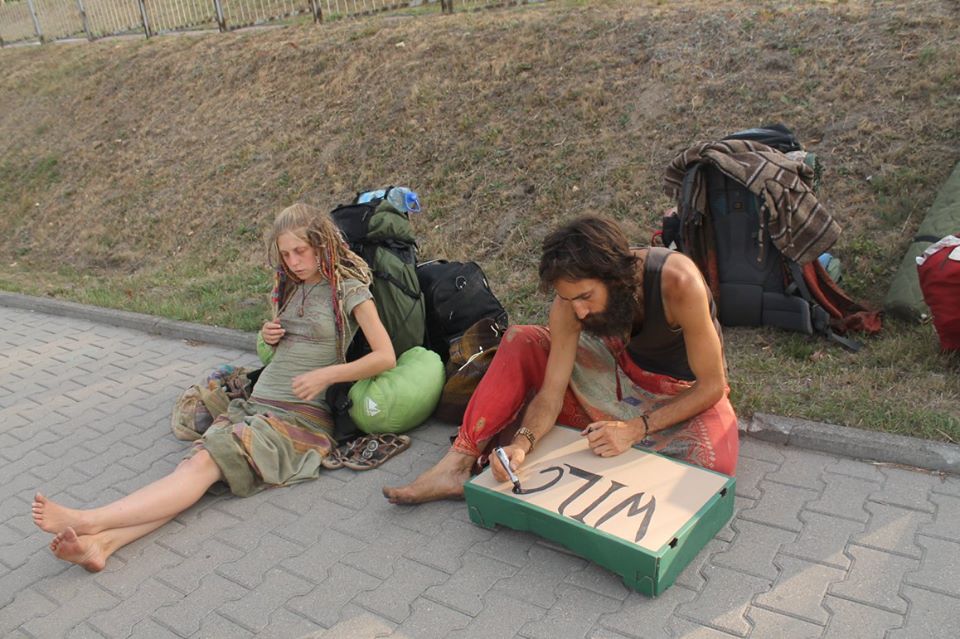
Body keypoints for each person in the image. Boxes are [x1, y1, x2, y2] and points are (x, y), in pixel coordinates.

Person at [32, 203, 396, 571]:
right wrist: (268, 336)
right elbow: (279, 351)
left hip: (297, 422)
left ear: (321, 245)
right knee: (194, 471)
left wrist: (326, 375)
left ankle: (91, 521)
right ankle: (104, 545)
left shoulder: (348, 291)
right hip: (254, 409)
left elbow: (385, 357)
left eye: (301, 251)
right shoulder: (290, 287)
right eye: (286, 254)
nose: (294, 261)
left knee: (202, 464)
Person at [384, 216, 738, 505]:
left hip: (671, 392)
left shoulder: (677, 281)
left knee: (713, 466)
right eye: (569, 300)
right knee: (521, 340)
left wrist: (635, 428)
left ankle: (607, 443)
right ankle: (456, 466)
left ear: (617, 277)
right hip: (610, 379)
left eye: (586, 296)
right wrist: (522, 445)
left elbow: (712, 385)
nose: (579, 310)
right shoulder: (570, 304)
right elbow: (552, 394)